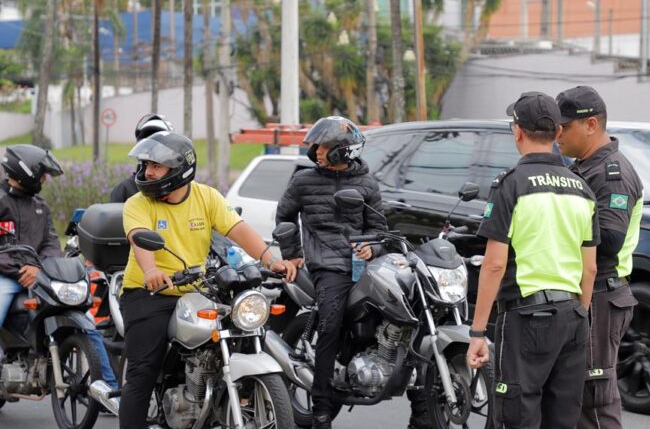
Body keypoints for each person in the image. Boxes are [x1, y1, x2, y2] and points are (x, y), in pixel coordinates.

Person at [118, 131, 296, 429]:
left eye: (156, 166)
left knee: (241, 334)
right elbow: (138, 238)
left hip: (198, 290)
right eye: (146, 164)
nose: (147, 171)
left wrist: (271, 260)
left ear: (178, 169)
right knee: (143, 370)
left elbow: (238, 230)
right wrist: (151, 272)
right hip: (149, 293)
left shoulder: (207, 197)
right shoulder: (138, 204)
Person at [276, 115, 429, 429]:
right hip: (326, 264)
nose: (317, 150)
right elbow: (284, 216)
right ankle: (320, 407)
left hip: (363, 264)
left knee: (412, 317)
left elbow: (378, 228)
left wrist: (373, 248)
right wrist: (291, 255)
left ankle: (424, 413)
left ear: (343, 150)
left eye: (324, 145)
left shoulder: (366, 182)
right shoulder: (303, 181)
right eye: (316, 145)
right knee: (330, 325)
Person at [466, 92, 599, 429]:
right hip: (573, 317)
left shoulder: (511, 185)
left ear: (517, 132)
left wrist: (478, 331)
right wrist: (580, 312)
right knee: (563, 417)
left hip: (527, 318)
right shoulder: (582, 189)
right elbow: (590, 268)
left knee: (518, 415)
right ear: (557, 133)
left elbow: (495, 265)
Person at [556, 86, 644, 429]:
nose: (557, 134)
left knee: (595, 400)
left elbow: (609, 241)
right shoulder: (584, 167)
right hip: (586, 290)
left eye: (565, 127)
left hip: (602, 295)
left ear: (591, 124)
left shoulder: (613, 173)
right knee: (575, 395)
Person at [0, 145, 119, 390]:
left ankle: (109, 389)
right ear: (26, 172)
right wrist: (21, 268)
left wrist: (41, 268)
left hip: (37, 273)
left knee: (85, 320)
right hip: (6, 275)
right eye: (41, 173)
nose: (44, 179)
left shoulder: (40, 207)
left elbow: (52, 243)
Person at [110, 113, 174, 203]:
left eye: (158, 144)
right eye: (146, 145)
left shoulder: (178, 190)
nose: (151, 150)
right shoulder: (124, 190)